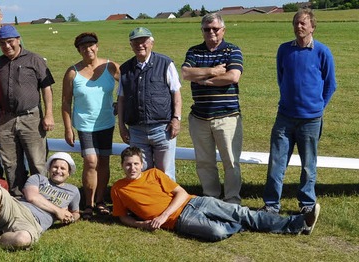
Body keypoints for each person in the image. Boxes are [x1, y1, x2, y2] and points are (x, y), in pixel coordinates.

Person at [111, 147, 321, 242]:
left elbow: (181, 194)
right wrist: (143, 225)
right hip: (182, 220)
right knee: (217, 233)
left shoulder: (154, 173)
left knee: (242, 212)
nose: (132, 168)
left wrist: (163, 216)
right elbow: (122, 217)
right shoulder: (118, 189)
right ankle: (249, 223)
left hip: (196, 203)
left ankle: (299, 223)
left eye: (136, 164)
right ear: (122, 166)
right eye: (128, 165)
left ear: (142, 164)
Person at [260, 9, 336, 215]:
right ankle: (271, 205)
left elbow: (330, 85)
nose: (298, 27)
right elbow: (281, 78)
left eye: (303, 23)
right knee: (276, 162)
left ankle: (307, 204)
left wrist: (317, 107)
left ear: (312, 27)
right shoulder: (284, 50)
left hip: (310, 120)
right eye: (295, 23)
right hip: (284, 117)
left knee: (308, 165)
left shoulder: (322, 52)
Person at [0, 152, 80, 257]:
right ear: (49, 169)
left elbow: (76, 212)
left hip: (35, 222)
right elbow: (32, 197)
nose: (58, 171)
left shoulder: (73, 191)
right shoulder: (37, 178)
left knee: (23, 239)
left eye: (63, 169)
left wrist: (71, 218)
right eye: (55, 167)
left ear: (69, 172)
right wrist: (58, 211)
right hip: (17, 208)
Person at [181, 14, 244, 204]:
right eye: (207, 29)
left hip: (227, 117)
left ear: (223, 30)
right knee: (204, 162)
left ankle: (232, 198)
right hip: (199, 118)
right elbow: (185, 73)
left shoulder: (232, 50)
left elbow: (233, 76)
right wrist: (213, 71)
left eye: (215, 29)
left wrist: (203, 80)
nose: (211, 33)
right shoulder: (194, 51)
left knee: (231, 161)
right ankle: (211, 197)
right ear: (202, 31)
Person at [0, 25, 55, 198]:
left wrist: (48, 114)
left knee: (36, 160)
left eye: (10, 42)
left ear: (18, 40)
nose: (7, 46)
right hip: (5, 119)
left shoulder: (35, 59)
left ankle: (41, 197)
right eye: (2, 43)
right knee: (10, 162)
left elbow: (47, 88)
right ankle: (17, 196)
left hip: (31, 117)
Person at [62, 32, 120, 219]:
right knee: (91, 161)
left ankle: (101, 201)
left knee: (103, 160)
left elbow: (129, 83)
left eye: (91, 45)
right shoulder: (72, 72)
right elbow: (65, 102)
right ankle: (88, 203)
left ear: (97, 46)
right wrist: (68, 127)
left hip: (106, 122)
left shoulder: (110, 66)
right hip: (85, 125)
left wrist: (121, 102)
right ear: (79, 51)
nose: (88, 49)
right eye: (83, 47)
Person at [117, 27, 182, 181]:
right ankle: (146, 204)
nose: (140, 45)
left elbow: (176, 93)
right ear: (131, 45)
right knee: (141, 174)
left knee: (165, 174)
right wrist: (121, 126)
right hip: (136, 131)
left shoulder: (165, 63)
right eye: (136, 42)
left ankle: (167, 203)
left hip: (163, 129)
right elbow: (121, 99)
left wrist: (176, 119)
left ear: (151, 43)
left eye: (144, 41)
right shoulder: (125, 69)